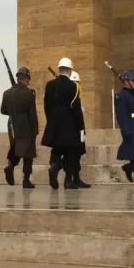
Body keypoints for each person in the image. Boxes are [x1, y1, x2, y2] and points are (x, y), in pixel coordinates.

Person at [41, 57, 85, 190]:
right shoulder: (74, 87)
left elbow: (46, 105)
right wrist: (80, 128)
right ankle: (68, 181)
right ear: (70, 70)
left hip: (54, 122)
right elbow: (76, 109)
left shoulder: (50, 85)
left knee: (56, 149)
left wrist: (51, 120)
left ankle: (54, 166)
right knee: (71, 151)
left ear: (59, 69)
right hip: (69, 123)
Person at [0, 67, 38, 189]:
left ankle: (10, 166)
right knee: (28, 153)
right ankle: (26, 179)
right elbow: (32, 113)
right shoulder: (29, 93)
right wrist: (35, 129)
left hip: (12, 124)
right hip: (25, 124)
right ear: (26, 79)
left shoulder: (7, 93)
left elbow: (3, 110)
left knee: (16, 148)